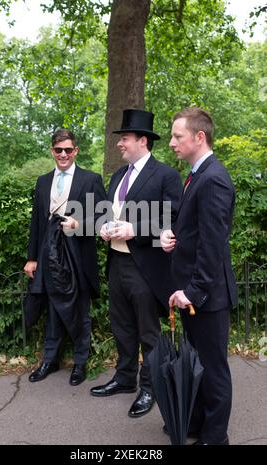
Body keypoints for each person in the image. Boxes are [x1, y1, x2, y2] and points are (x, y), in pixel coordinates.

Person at [90, 109, 182, 418]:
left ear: (142, 141)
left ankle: (150, 387)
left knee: (147, 332)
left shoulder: (166, 175)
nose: (120, 144)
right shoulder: (118, 175)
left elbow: (173, 217)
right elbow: (106, 212)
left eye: (125, 138)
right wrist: (104, 226)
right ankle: (125, 378)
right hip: (117, 262)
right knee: (121, 327)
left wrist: (137, 229)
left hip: (146, 267)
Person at [161, 107, 237, 445]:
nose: (172, 143)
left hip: (207, 297)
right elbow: (195, 233)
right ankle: (195, 423)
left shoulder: (214, 178)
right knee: (198, 364)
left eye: (177, 136)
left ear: (199, 137)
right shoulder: (197, 174)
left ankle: (215, 437)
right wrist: (172, 237)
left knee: (213, 369)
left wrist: (193, 291)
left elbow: (213, 246)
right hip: (195, 293)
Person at [24, 128, 106, 386]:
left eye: (68, 150)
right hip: (49, 254)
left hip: (78, 255)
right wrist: (32, 258)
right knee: (52, 308)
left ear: (76, 151)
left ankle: (80, 362)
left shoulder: (91, 179)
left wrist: (78, 223)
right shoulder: (43, 181)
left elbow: (104, 219)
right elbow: (37, 222)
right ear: (52, 151)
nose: (63, 154)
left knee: (80, 308)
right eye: (58, 150)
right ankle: (50, 359)